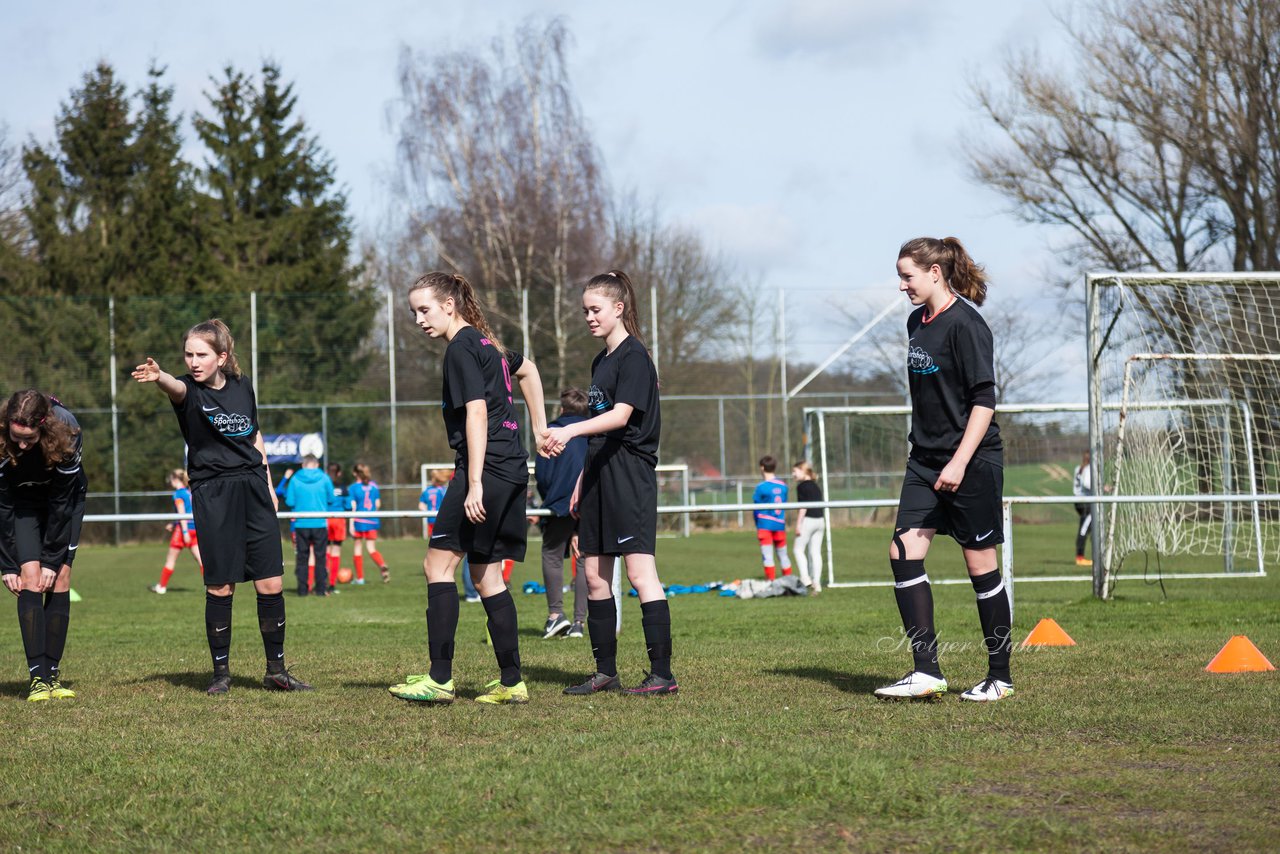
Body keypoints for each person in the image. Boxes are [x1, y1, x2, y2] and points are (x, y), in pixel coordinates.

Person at [389, 271, 548, 705]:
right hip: (513, 468)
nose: (419, 319)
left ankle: (439, 679)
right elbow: (529, 370)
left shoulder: (461, 347)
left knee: (436, 568)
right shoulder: (487, 343)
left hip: (487, 470)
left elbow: (476, 414)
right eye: (413, 312)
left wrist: (474, 482)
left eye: (425, 309)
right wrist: (539, 429)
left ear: (449, 305)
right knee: (486, 575)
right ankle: (512, 682)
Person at [132, 319, 311, 694]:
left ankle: (276, 671)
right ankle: (220, 675)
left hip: (254, 488)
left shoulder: (243, 387)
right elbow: (176, 386)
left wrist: (268, 483)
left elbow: (255, 433)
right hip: (213, 492)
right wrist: (162, 375)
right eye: (188, 354)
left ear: (222, 357)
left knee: (271, 581)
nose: (194, 361)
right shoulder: (188, 391)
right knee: (220, 586)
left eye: (202, 355)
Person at [874, 237, 1013, 703]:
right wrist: (933, 455)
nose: (901, 286)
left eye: (907, 276)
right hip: (924, 461)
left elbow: (984, 401)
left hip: (971, 461)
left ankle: (1000, 677)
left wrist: (958, 461)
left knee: (980, 567)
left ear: (936, 272)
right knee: (902, 551)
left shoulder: (967, 325)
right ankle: (926, 671)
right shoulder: (917, 321)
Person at [543, 270, 677, 696]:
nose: (589, 317)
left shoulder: (634, 356)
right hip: (600, 475)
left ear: (619, 309)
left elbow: (620, 417)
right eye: (584, 310)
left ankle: (662, 675)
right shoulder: (600, 361)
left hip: (630, 475)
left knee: (640, 574)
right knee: (595, 575)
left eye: (595, 309)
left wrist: (567, 432)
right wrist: (583, 475)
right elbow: (600, 431)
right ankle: (605, 672)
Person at [0, 390, 87, 702]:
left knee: (60, 577)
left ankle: (52, 675)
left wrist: (53, 560)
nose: (22, 446)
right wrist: (7, 564)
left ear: (44, 427)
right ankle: (37, 679)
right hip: (21, 502)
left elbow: (63, 505)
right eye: (16, 438)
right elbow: (2, 506)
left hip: (64, 501)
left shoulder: (68, 430)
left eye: (29, 439)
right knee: (30, 579)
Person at [535, 388, 589, 639]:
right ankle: (580, 622)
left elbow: (543, 475)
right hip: (589, 502)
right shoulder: (594, 431)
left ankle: (556, 615)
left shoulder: (551, 433)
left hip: (559, 504)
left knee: (552, 554)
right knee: (584, 558)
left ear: (561, 409)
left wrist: (551, 498)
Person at [421, 468, 480, 603]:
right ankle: (471, 592)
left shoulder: (427, 491)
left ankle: (472, 592)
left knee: (438, 563)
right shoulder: (444, 490)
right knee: (443, 565)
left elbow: (421, 506)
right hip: (454, 519)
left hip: (435, 522)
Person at [285, 455, 334, 596]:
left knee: (302, 557)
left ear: (302, 465)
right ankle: (320, 589)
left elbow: (289, 502)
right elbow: (331, 499)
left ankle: (302, 590)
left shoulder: (295, 479)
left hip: (301, 523)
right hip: (319, 522)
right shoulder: (324, 478)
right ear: (317, 464)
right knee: (321, 557)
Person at [150, 468, 204, 594]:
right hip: (194, 528)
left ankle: (161, 587)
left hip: (183, 531)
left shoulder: (178, 494)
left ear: (175, 479)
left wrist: (184, 532)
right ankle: (210, 585)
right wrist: (174, 523)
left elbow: (182, 513)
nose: (170, 483)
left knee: (170, 560)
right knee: (201, 560)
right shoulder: (189, 492)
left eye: (171, 480)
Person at [348, 463, 390, 584]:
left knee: (357, 548)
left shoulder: (353, 488)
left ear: (355, 473)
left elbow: (353, 507)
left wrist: (351, 524)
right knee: (371, 548)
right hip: (372, 520)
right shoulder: (374, 486)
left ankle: (360, 578)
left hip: (359, 520)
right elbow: (377, 504)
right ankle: (382, 564)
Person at [752, 455, 791, 580]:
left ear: (762, 468)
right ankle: (788, 581)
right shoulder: (784, 486)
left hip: (765, 525)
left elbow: (756, 507)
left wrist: (756, 523)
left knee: (768, 556)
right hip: (780, 524)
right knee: (783, 555)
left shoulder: (761, 487)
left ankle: (771, 582)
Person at [791, 460, 826, 594]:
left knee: (798, 549)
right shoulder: (816, 485)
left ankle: (805, 578)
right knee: (815, 552)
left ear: (803, 471)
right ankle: (817, 583)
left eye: (795, 471)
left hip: (808, 520)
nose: (793, 474)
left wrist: (798, 524)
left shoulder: (802, 486)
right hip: (820, 521)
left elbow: (803, 507)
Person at [325, 462, 348, 585]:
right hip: (339, 520)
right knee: (336, 551)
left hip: (326, 519)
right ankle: (332, 584)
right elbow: (348, 505)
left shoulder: (325, 486)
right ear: (339, 473)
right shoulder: (343, 488)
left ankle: (324, 579)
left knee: (326, 551)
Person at [1073, 450, 1094, 567]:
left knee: (1089, 526)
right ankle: (1080, 557)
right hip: (1085, 502)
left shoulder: (1078, 468)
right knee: (1084, 529)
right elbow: (1087, 484)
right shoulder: (1088, 468)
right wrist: (1100, 487)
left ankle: (1083, 556)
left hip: (1077, 501)